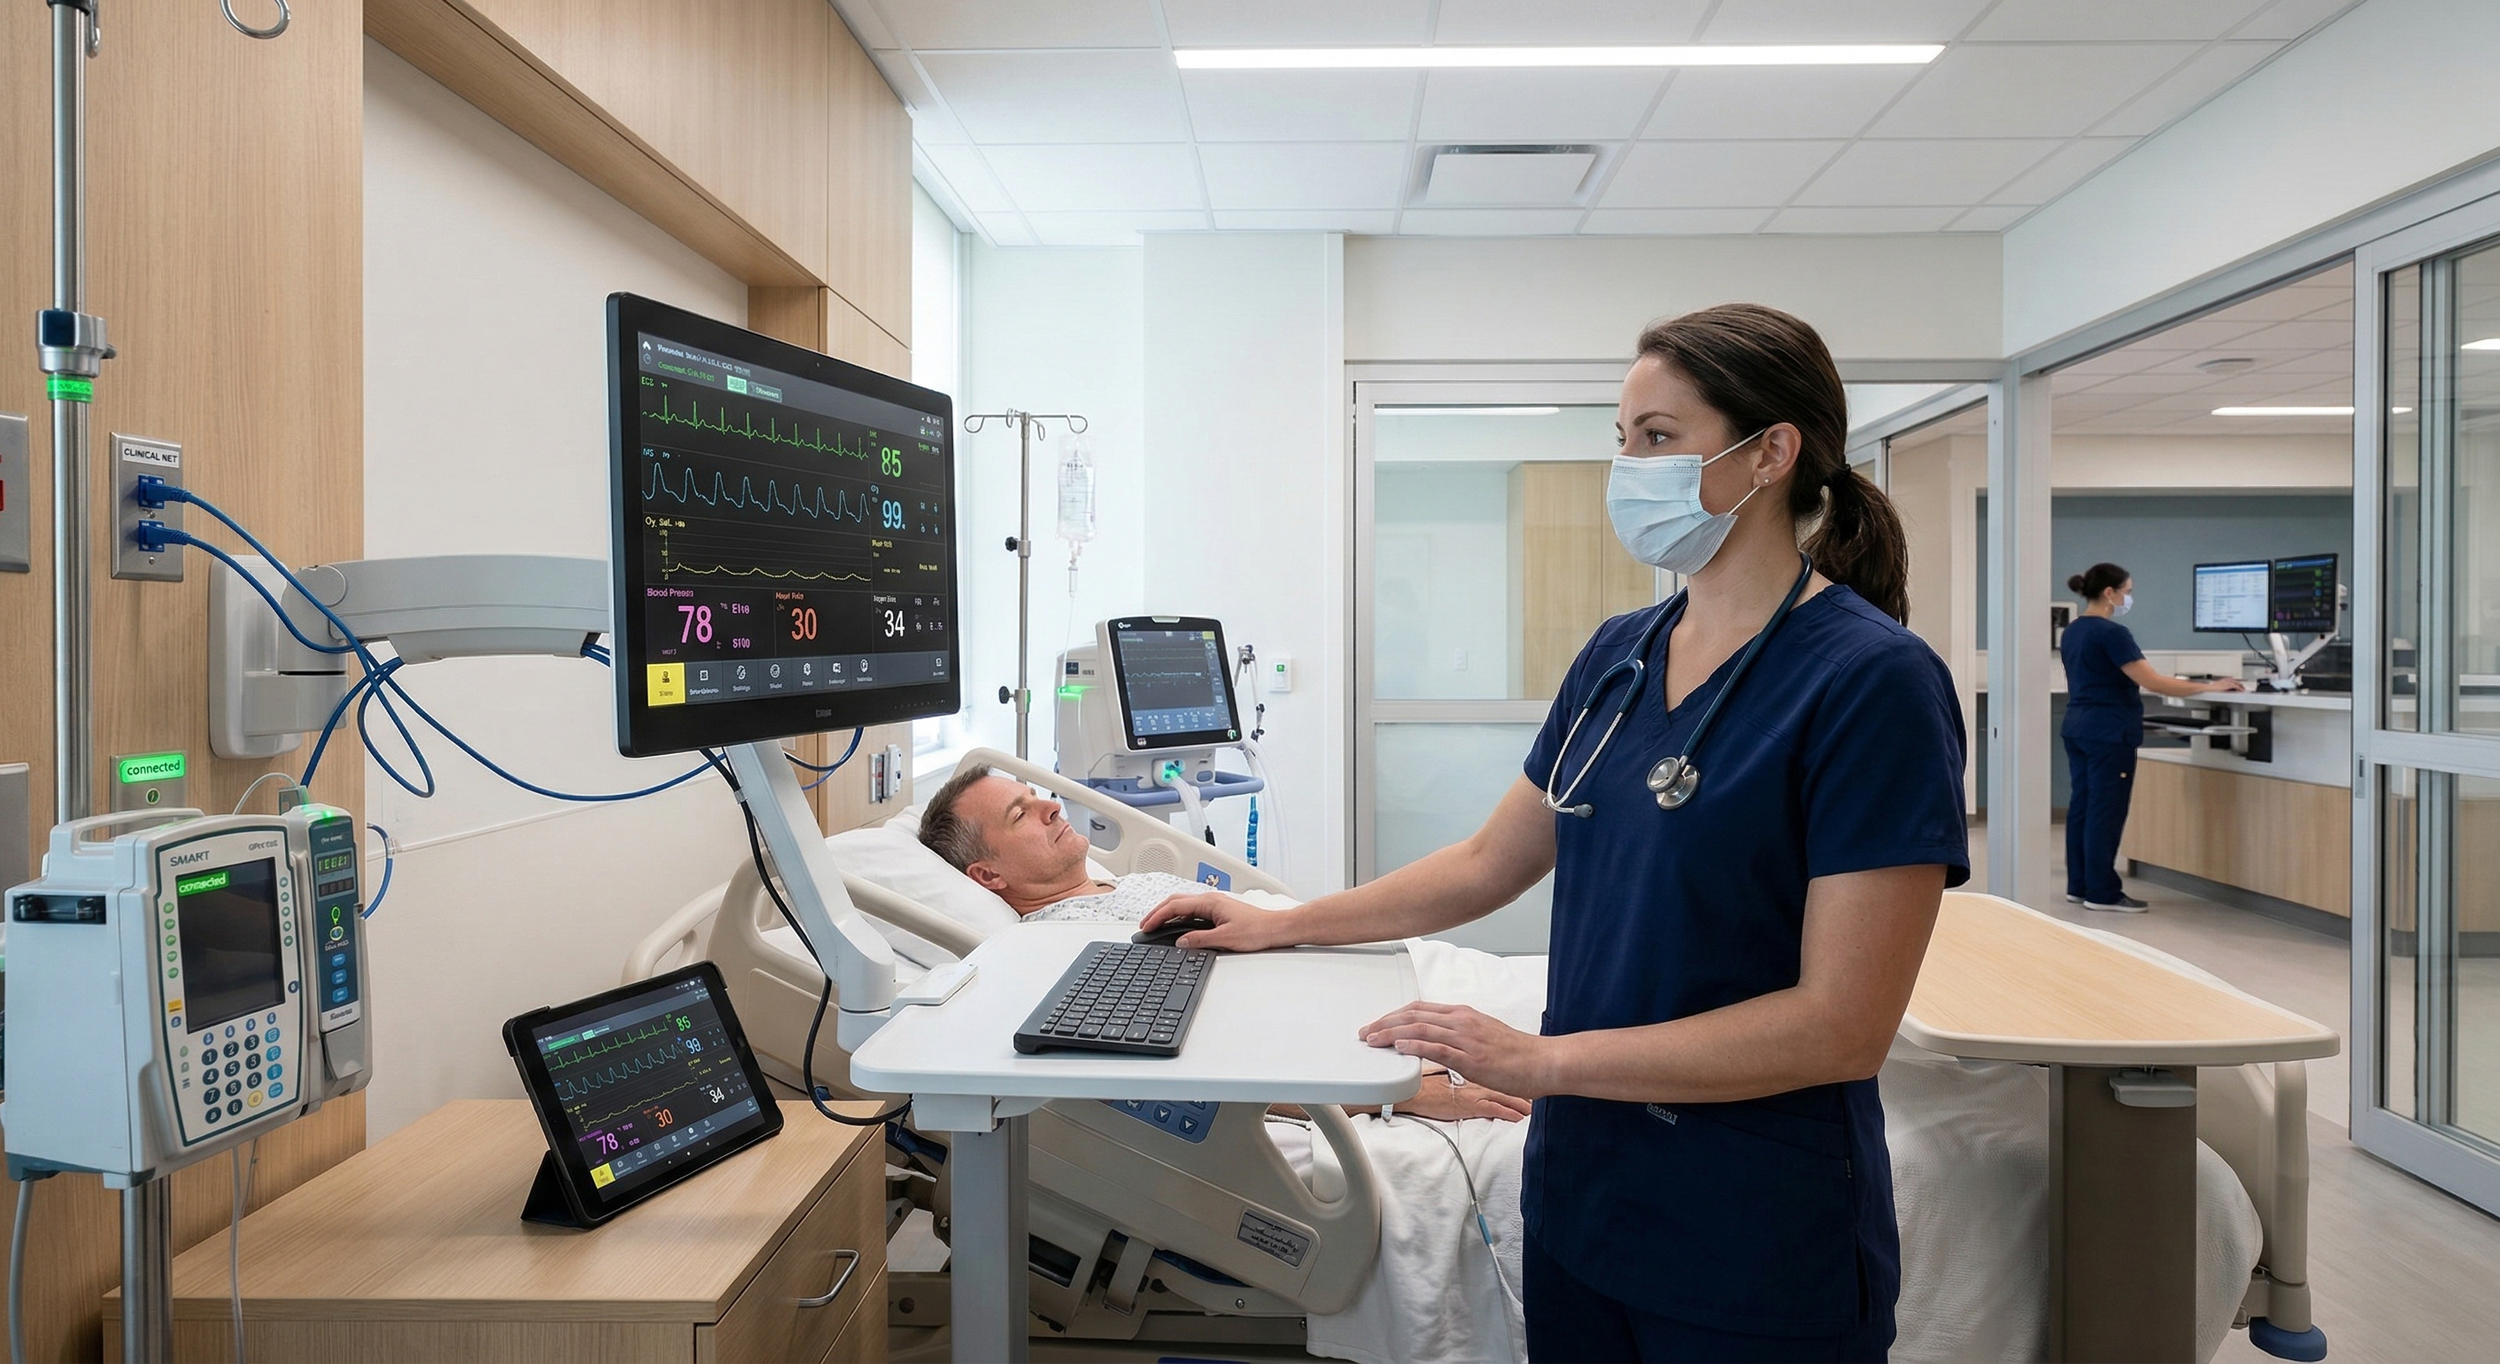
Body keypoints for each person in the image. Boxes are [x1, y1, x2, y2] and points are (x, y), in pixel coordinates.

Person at [1145, 304, 1969, 1363]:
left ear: (1771, 452)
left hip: (1748, 1221)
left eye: (1660, 437)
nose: (1629, 466)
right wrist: (1282, 920)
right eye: (1622, 439)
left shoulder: (1872, 681)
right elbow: (1491, 860)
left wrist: (1539, 1059)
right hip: (1583, 1195)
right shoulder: (1622, 654)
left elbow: (1840, 1024)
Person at [914, 766, 1530, 1123]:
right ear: (988, 878)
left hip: (1389, 971)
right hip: (1361, 1030)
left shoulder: (1134, 885)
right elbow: (1214, 1062)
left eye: (1036, 795)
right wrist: (1396, 1095)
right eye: (1020, 815)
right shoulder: (1064, 949)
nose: (1051, 805)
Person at [2059, 563, 2244, 911]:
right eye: (2127, 591)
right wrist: (2210, 686)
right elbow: (2154, 682)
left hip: (2079, 727)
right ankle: (2102, 893)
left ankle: (2080, 885)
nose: (2129, 598)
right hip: (2109, 732)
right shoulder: (2112, 634)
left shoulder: (2073, 631)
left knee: (2082, 808)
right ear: (2110, 593)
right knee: (2105, 812)